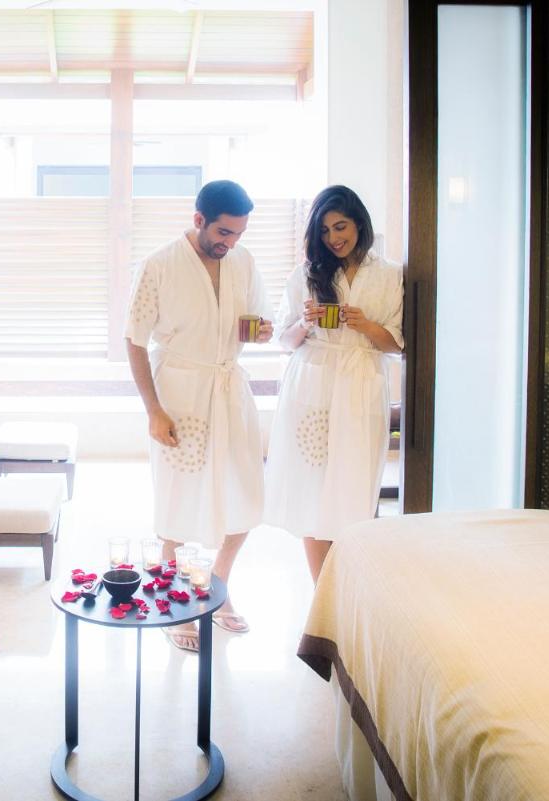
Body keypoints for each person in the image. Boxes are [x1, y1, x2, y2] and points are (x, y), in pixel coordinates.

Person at [125, 179, 273, 652]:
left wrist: (261, 330)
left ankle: (216, 586)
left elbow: (253, 323)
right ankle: (172, 600)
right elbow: (134, 339)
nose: (230, 243)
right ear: (199, 220)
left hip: (230, 387)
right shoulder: (160, 265)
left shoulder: (243, 261)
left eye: (239, 234)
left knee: (245, 492)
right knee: (177, 499)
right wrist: (153, 410)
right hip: (180, 393)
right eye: (224, 233)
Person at [264, 185, 403, 582]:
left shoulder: (390, 274)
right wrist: (307, 321)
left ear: (359, 223)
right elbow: (284, 341)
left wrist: (365, 324)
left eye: (340, 226)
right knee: (312, 490)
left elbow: (396, 344)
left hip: (361, 383)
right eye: (324, 231)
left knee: (354, 488)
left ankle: (348, 592)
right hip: (313, 382)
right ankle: (320, 598)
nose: (333, 238)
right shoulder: (307, 274)